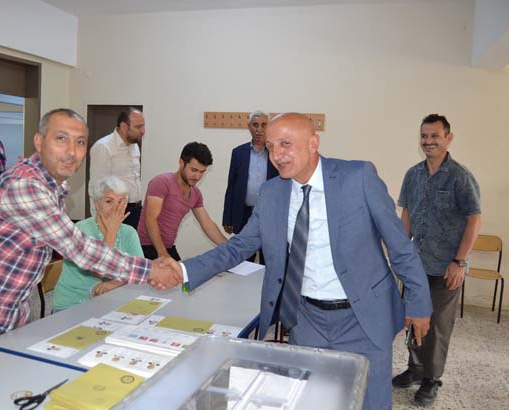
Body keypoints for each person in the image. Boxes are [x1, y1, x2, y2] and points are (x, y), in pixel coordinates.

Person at [175, 113, 432, 410]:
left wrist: (419, 303)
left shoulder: (358, 177)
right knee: (313, 400)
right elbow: (239, 247)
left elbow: (400, 245)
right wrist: (183, 270)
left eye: (285, 144)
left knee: (371, 401)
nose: (276, 155)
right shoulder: (272, 193)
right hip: (308, 321)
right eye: (271, 146)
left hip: (363, 319)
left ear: (313, 143)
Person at [0, 108, 181, 361]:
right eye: (61, 139)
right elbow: (80, 249)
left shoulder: (51, 186)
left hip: (6, 311)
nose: (72, 151)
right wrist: (151, 270)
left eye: (80, 142)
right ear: (39, 142)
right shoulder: (25, 186)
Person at [393, 114, 481, 407]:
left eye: (435, 136)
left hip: (446, 268)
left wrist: (460, 261)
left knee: (437, 328)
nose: (428, 141)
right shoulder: (413, 175)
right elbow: (406, 215)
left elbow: (474, 219)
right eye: (424, 136)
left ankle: (431, 379)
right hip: (416, 265)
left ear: (448, 138)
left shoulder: (460, 176)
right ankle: (415, 369)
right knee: (413, 319)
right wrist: (400, 251)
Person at [53, 176, 144, 311]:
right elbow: (99, 271)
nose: (116, 208)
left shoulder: (129, 232)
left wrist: (114, 284)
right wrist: (111, 231)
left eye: (121, 201)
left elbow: (139, 271)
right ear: (96, 204)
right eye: (109, 201)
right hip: (74, 304)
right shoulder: (80, 230)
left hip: (111, 302)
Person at [137, 142, 227, 261]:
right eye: (194, 170)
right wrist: (163, 254)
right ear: (181, 163)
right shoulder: (162, 182)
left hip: (168, 247)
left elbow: (207, 224)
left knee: (187, 271)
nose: (197, 176)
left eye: (202, 172)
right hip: (146, 248)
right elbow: (150, 219)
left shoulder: (196, 194)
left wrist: (230, 248)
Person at [222, 110, 278, 263]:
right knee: (244, 260)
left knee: (268, 259)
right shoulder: (238, 153)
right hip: (244, 214)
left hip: (269, 215)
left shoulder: (276, 153)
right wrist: (227, 217)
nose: (259, 129)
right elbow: (231, 186)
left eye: (263, 125)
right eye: (255, 125)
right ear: (249, 127)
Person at [89, 108, 144, 229]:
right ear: (124, 126)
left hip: (136, 210)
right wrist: (98, 222)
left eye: (143, 126)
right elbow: (96, 188)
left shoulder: (134, 146)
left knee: (130, 241)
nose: (143, 131)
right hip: (115, 210)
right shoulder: (103, 147)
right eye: (138, 127)